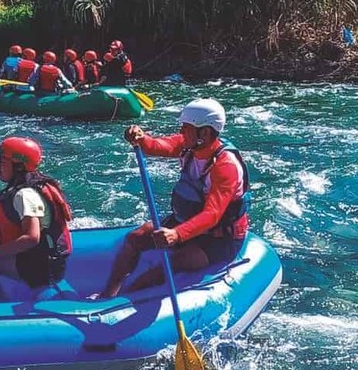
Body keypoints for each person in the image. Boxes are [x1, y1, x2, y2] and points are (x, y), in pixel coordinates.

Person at [94, 98, 250, 300]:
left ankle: (123, 304)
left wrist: (177, 234)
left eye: (186, 127)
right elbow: (160, 145)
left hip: (218, 237)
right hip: (187, 220)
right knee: (135, 239)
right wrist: (141, 138)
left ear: (204, 132)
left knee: (169, 266)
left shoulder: (225, 166)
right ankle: (107, 296)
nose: (182, 131)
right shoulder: (189, 146)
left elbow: (212, 214)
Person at [0, 136, 74, 292]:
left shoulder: (24, 195)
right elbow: (17, 230)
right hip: (44, 259)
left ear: (19, 167)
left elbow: (31, 238)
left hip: (42, 267)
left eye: (3, 162)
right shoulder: (33, 186)